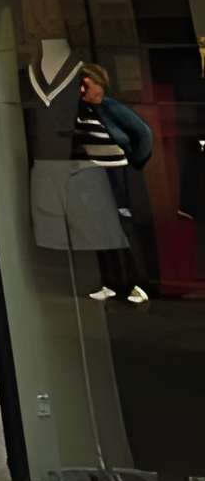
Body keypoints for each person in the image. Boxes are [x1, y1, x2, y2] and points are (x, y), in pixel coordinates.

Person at [77, 62, 154, 304]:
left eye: (89, 86)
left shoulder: (110, 108)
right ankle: (111, 282)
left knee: (123, 225)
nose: (85, 91)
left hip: (116, 174)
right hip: (93, 176)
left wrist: (135, 161)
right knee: (100, 229)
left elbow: (143, 133)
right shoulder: (78, 111)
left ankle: (136, 284)